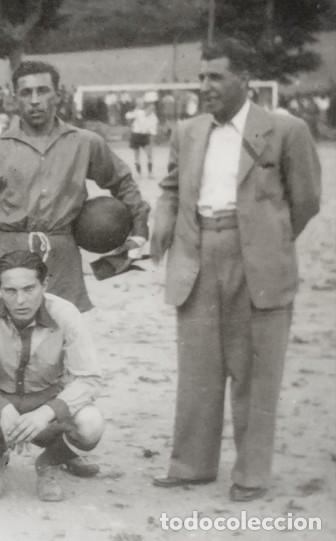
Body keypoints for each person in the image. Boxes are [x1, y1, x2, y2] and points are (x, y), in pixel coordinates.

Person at [150, 38, 322, 502]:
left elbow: (305, 201)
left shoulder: (287, 130)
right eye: (201, 77)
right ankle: (192, 465)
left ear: (244, 79)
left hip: (258, 265)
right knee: (198, 369)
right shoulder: (187, 131)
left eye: (215, 77)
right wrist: (164, 220)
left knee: (255, 372)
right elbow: (170, 186)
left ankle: (252, 473)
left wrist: (268, 241)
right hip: (198, 257)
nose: (204, 86)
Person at [0, 60, 150, 313]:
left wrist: (139, 229)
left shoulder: (85, 143)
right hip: (8, 252)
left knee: (59, 339)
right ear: (13, 99)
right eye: (26, 92)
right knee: (4, 342)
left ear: (59, 95)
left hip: (62, 254)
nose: (34, 100)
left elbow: (122, 182)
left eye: (42, 91)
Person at [0, 250, 105, 502]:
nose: (20, 300)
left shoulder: (65, 313)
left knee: (91, 424)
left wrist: (47, 412)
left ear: (44, 284)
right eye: (10, 290)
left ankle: (49, 463)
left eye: (29, 289)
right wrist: (1, 408)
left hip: (46, 402)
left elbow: (89, 378)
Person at [125, 101, 158, 177]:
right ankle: (139, 173)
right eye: (149, 109)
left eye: (152, 109)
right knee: (137, 155)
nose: (151, 110)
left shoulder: (154, 118)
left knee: (149, 155)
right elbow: (127, 116)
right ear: (146, 108)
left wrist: (151, 137)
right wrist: (134, 110)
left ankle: (150, 173)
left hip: (145, 136)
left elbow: (154, 131)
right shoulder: (139, 112)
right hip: (135, 135)